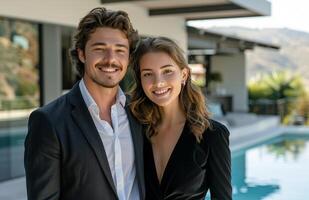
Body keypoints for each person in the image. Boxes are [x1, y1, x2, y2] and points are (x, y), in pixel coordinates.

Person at [24, 7, 145, 200]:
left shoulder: (140, 112)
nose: (111, 59)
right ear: (81, 54)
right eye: (99, 49)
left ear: (129, 58)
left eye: (120, 50)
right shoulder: (48, 121)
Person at [129, 37, 232, 200]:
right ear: (140, 80)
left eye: (167, 71)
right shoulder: (134, 129)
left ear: (184, 75)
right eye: (148, 74)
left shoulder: (212, 135)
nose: (158, 82)